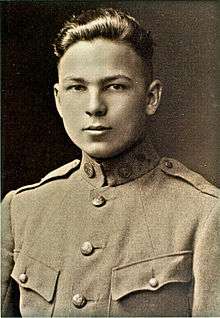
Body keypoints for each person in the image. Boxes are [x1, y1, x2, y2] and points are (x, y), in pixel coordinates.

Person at [1, 7, 220, 317]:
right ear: (59, 100)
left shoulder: (205, 214)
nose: (94, 107)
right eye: (77, 87)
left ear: (150, 98)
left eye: (115, 86)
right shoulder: (20, 210)